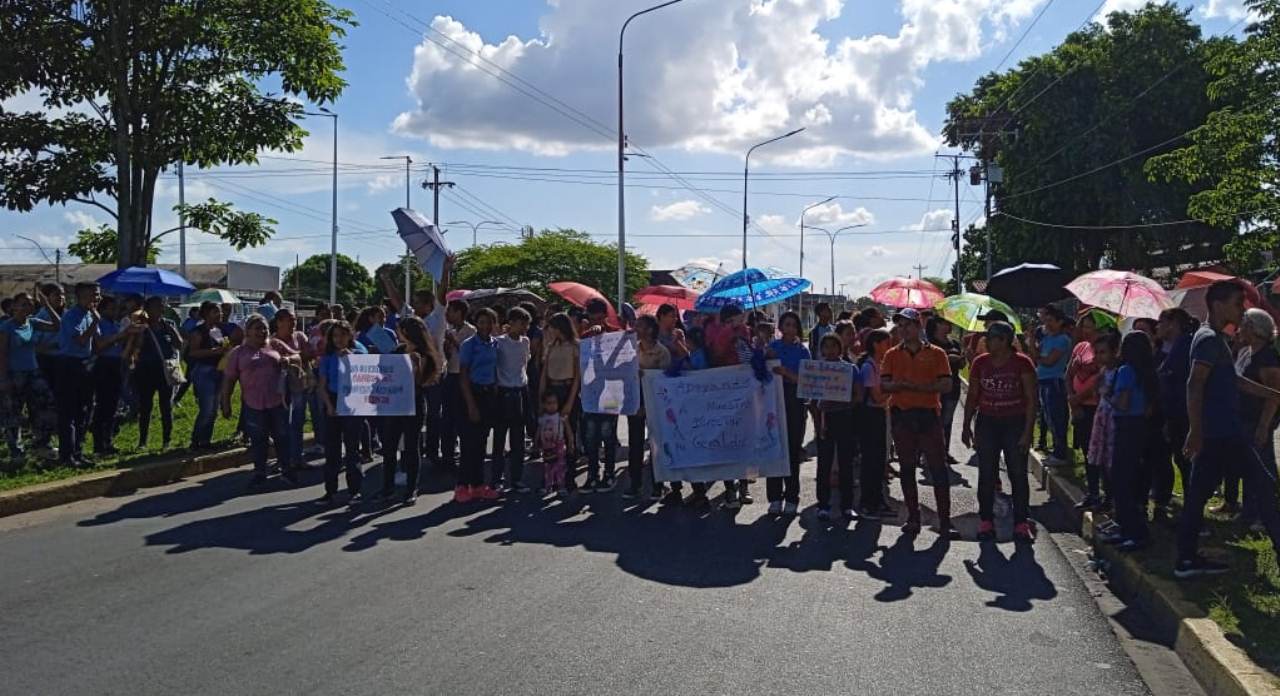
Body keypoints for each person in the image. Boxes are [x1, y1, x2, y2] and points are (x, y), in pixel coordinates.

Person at [1176, 281, 1280, 578]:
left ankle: (1185, 559)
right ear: (1218, 304)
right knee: (1265, 489)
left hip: (1221, 433)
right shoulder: (1209, 339)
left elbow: (1232, 381)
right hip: (1221, 435)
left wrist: (1271, 394)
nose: (1242, 309)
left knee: (1197, 498)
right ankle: (1186, 558)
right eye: (1237, 303)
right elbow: (1195, 385)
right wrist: (1195, 431)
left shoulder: (1216, 339)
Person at [881, 308, 957, 538]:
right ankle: (913, 517)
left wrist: (919, 388)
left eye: (909, 325)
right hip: (902, 415)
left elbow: (946, 385)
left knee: (938, 468)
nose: (904, 330)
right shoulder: (892, 354)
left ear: (919, 326)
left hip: (928, 415)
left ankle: (945, 520)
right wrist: (901, 385)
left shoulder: (937, 354)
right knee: (906, 467)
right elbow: (884, 385)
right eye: (900, 326)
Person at [962, 321, 1038, 542]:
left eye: (991, 337)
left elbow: (1032, 401)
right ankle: (986, 521)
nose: (986, 341)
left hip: (1014, 422)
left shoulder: (1022, 363)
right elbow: (973, 395)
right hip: (987, 422)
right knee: (987, 473)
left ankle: (1021, 523)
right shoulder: (980, 363)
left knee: (1017, 473)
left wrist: (1027, 432)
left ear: (1004, 340)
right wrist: (967, 425)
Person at [1096, 331, 1159, 551]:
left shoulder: (1125, 371)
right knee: (1129, 479)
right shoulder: (1146, 373)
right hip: (1140, 425)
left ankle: (1134, 531)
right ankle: (1126, 528)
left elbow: (1122, 403)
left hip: (1126, 425)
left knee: (1121, 481)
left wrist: (1106, 393)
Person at [221, 314, 297, 486]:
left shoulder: (276, 345)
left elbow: (298, 357)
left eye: (264, 328)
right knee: (258, 439)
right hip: (253, 404)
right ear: (247, 331)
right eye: (257, 328)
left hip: (278, 402)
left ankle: (287, 470)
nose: (261, 332)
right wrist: (225, 403)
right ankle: (259, 472)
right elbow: (229, 380)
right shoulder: (237, 353)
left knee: (282, 437)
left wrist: (288, 359)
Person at [1222, 309, 1280, 530]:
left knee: (1263, 468)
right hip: (1243, 417)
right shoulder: (1247, 352)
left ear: (1255, 329)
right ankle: (1249, 511)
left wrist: (1264, 426)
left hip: (1258, 420)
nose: (1239, 329)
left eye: (1244, 325)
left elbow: (1273, 394)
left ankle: (1267, 515)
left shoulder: (1267, 357)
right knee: (1249, 467)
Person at [379, 315, 441, 505]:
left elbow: (420, 382)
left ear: (407, 332)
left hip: (413, 404)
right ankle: (387, 488)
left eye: (400, 330)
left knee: (412, 447)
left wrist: (415, 366)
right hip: (394, 404)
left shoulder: (425, 354)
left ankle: (411, 488)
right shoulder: (398, 351)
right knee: (389, 447)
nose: (397, 333)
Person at [0, 292, 59, 462]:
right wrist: (3, 379)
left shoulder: (33, 322)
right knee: (13, 412)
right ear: (14, 306)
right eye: (23, 304)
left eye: (31, 304)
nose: (28, 307)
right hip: (14, 373)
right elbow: (2, 354)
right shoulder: (7, 327)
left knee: (45, 405)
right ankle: (16, 451)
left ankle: (42, 443)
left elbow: (57, 326)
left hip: (33, 372)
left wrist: (47, 306)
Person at [317, 320, 368, 504]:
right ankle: (330, 490)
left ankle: (354, 490)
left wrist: (352, 360)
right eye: (335, 336)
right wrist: (329, 406)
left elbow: (366, 378)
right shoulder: (327, 358)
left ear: (350, 336)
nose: (339, 339)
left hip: (352, 402)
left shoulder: (359, 353)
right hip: (333, 399)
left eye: (343, 335)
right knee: (332, 450)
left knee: (352, 449)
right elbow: (321, 385)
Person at [1152, 308, 1196, 520]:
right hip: (1164, 411)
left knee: (1185, 460)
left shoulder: (1187, 346)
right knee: (1162, 458)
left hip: (1181, 412)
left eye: (1161, 322)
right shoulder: (1161, 347)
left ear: (1173, 324)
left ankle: (1193, 507)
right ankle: (1162, 499)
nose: (1157, 327)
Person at [766, 311, 810, 515]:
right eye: (786, 324)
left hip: (795, 401)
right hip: (773, 399)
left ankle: (792, 496)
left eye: (793, 325)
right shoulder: (772, 347)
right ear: (780, 327)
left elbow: (807, 381)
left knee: (792, 450)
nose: (790, 328)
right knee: (774, 447)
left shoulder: (803, 351)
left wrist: (786, 373)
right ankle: (774, 497)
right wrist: (763, 354)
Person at [54, 282, 102, 467]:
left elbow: (96, 342)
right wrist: (96, 321)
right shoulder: (71, 316)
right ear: (80, 296)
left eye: (97, 295)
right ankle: (67, 456)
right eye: (92, 295)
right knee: (68, 412)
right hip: (69, 364)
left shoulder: (90, 314)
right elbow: (81, 340)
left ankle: (78, 452)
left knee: (84, 410)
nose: (95, 298)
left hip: (85, 365)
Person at [624, 314, 670, 501]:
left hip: (654, 402)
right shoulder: (631, 349)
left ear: (650, 330)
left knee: (656, 444)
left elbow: (664, 381)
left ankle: (657, 485)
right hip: (635, 400)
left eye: (640, 326)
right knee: (635, 444)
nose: (636, 329)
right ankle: (635, 484)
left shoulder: (662, 352)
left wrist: (647, 375)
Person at [457, 307, 501, 503]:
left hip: (489, 394)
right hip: (471, 394)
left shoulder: (495, 344)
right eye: (482, 322)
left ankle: (477, 485)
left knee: (482, 443)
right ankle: (461, 485)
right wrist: (470, 404)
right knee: (468, 443)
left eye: (489, 322)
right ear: (476, 323)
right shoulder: (468, 345)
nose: (485, 326)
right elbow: (463, 375)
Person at [811, 334, 856, 521]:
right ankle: (823, 505)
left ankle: (847, 505)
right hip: (825, 419)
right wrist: (817, 421)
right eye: (826, 347)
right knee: (824, 463)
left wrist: (848, 401)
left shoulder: (849, 369)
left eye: (833, 346)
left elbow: (857, 393)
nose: (830, 350)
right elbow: (811, 399)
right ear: (821, 350)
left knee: (846, 462)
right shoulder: (816, 370)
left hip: (845, 418)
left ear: (840, 348)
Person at [579, 298, 622, 492]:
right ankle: (592, 474)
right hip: (591, 392)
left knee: (608, 433)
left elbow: (624, 361)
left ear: (605, 316)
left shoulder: (616, 334)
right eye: (592, 317)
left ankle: (609, 473)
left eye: (599, 317)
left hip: (611, 391)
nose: (596, 321)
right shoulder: (585, 337)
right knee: (590, 435)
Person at [1067, 312, 1106, 508]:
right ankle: (1092, 492)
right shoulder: (1080, 347)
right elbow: (1069, 374)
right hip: (1079, 407)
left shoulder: (1105, 351)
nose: (1086, 330)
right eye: (1084, 326)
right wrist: (1072, 401)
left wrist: (1079, 398)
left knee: (1102, 452)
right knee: (1087, 451)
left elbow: (1102, 377)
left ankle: (1107, 494)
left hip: (1096, 407)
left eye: (1090, 326)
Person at [268, 308, 314, 471]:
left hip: (299, 385)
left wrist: (291, 356)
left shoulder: (300, 336)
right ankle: (284, 459)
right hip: (281, 387)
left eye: (294, 319)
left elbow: (309, 354)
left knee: (298, 422)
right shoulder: (271, 341)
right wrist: (297, 356)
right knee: (283, 424)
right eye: (290, 319)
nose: (293, 323)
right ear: (279, 322)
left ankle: (297, 457)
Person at [855, 328, 893, 518]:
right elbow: (877, 397)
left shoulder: (882, 364)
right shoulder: (869, 367)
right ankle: (867, 502)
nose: (890, 347)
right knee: (870, 460)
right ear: (876, 345)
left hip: (879, 414)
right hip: (870, 416)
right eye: (887, 343)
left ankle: (878, 499)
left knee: (879, 460)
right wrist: (895, 390)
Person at [493, 306, 532, 492]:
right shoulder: (499, 342)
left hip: (520, 390)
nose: (525, 327)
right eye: (522, 323)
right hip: (503, 391)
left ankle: (517, 478)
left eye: (527, 323)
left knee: (518, 438)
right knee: (499, 438)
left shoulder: (526, 341)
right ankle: (497, 478)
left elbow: (526, 362)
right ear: (512, 323)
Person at [90, 296, 133, 456]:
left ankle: (108, 440)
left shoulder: (115, 324)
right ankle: (99, 444)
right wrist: (121, 335)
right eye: (111, 309)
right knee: (103, 405)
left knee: (113, 405)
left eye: (116, 309)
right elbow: (100, 344)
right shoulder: (99, 324)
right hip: (103, 363)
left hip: (116, 363)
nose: (114, 312)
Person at [1030, 305, 1072, 463]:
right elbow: (1035, 355)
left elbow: (1049, 361)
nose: (1047, 324)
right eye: (1045, 320)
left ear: (1060, 322)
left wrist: (1040, 358)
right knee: (1048, 416)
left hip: (1055, 381)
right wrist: (1033, 339)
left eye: (1051, 321)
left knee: (1057, 416)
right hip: (1043, 380)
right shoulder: (1047, 338)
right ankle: (1055, 449)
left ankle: (1061, 452)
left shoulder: (1063, 339)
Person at [186, 302, 229, 450]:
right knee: (206, 408)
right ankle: (196, 439)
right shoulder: (198, 332)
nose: (220, 315)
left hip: (218, 370)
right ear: (206, 314)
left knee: (213, 409)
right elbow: (193, 352)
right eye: (216, 312)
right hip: (204, 371)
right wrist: (213, 351)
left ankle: (205, 440)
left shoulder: (218, 330)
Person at [440, 298, 476, 471]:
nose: (447, 315)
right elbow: (449, 356)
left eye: (450, 311)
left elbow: (468, 354)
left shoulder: (471, 331)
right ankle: (447, 456)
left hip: (463, 378)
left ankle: (466, 455)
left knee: (462, 418)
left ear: (459, 312)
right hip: (450, 375)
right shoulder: (450, 330)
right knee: (447, 419)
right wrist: (447, 347)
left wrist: (454, 341)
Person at [927, 316, 965, 470]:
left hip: (952, 387)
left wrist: (962, 359)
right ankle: (928, 453)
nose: (949, 325)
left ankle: (944, 451)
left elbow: (962, 364)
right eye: (945, 323)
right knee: (932, 421)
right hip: (934, 388)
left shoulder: (954, 343)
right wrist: (947, 358)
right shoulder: (930, 344)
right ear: (937, 325)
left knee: (947, 422)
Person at [537, 391, 574, 496]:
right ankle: (547, 486)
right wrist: (536, 443)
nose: (552, 406)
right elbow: (539, 431)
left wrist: (571, 443)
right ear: (544, 405)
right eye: (549, 403)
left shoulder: (561, 417)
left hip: (559, 444)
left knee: (560, 466)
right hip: (547, 446)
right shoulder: (542, 418)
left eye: (554, 403)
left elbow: (568, 430)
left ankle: (561, 486)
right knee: (548, 466)